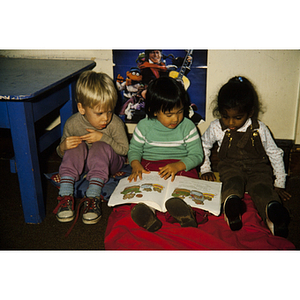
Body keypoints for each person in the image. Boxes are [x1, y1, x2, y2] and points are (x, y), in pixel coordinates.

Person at [200, 76, 291, 237]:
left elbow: (275, 153)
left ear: (250, 112)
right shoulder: (216, 127)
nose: (231, 123)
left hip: (258, 169)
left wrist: (280, 183)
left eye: (237, 117)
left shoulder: (260, 128)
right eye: (225, 116)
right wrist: (205, 168)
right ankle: (232, 206)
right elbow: (204, 145)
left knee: (262, 189)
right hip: (231, 167)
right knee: (232, 183)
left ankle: (273, 210)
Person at [127, 76, 204, 232]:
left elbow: (197, 155)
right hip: (151, 166)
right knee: (144, 189)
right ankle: (147, 213)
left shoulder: (188, 126)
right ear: (154, 111)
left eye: (180, 111)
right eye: (169, 114)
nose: (176, 118)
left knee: (189, 189)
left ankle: (186, 212)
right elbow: (134, 149)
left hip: (181, 165)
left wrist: (178, 165)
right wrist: (135, 163)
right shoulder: (144, 126)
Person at [53, 71, 129, 226]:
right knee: (75, 144)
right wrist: (63, 146)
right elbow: (62, 154)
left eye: (110, 110)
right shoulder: (72, 123)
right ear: (82, 108)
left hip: (111, 163)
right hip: (84, 164)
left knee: (100, 146)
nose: (106, 118)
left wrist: (103, 138)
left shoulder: (114, 124)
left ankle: (93, 197)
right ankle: (65, 194)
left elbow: (124, 151)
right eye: (100, 113)